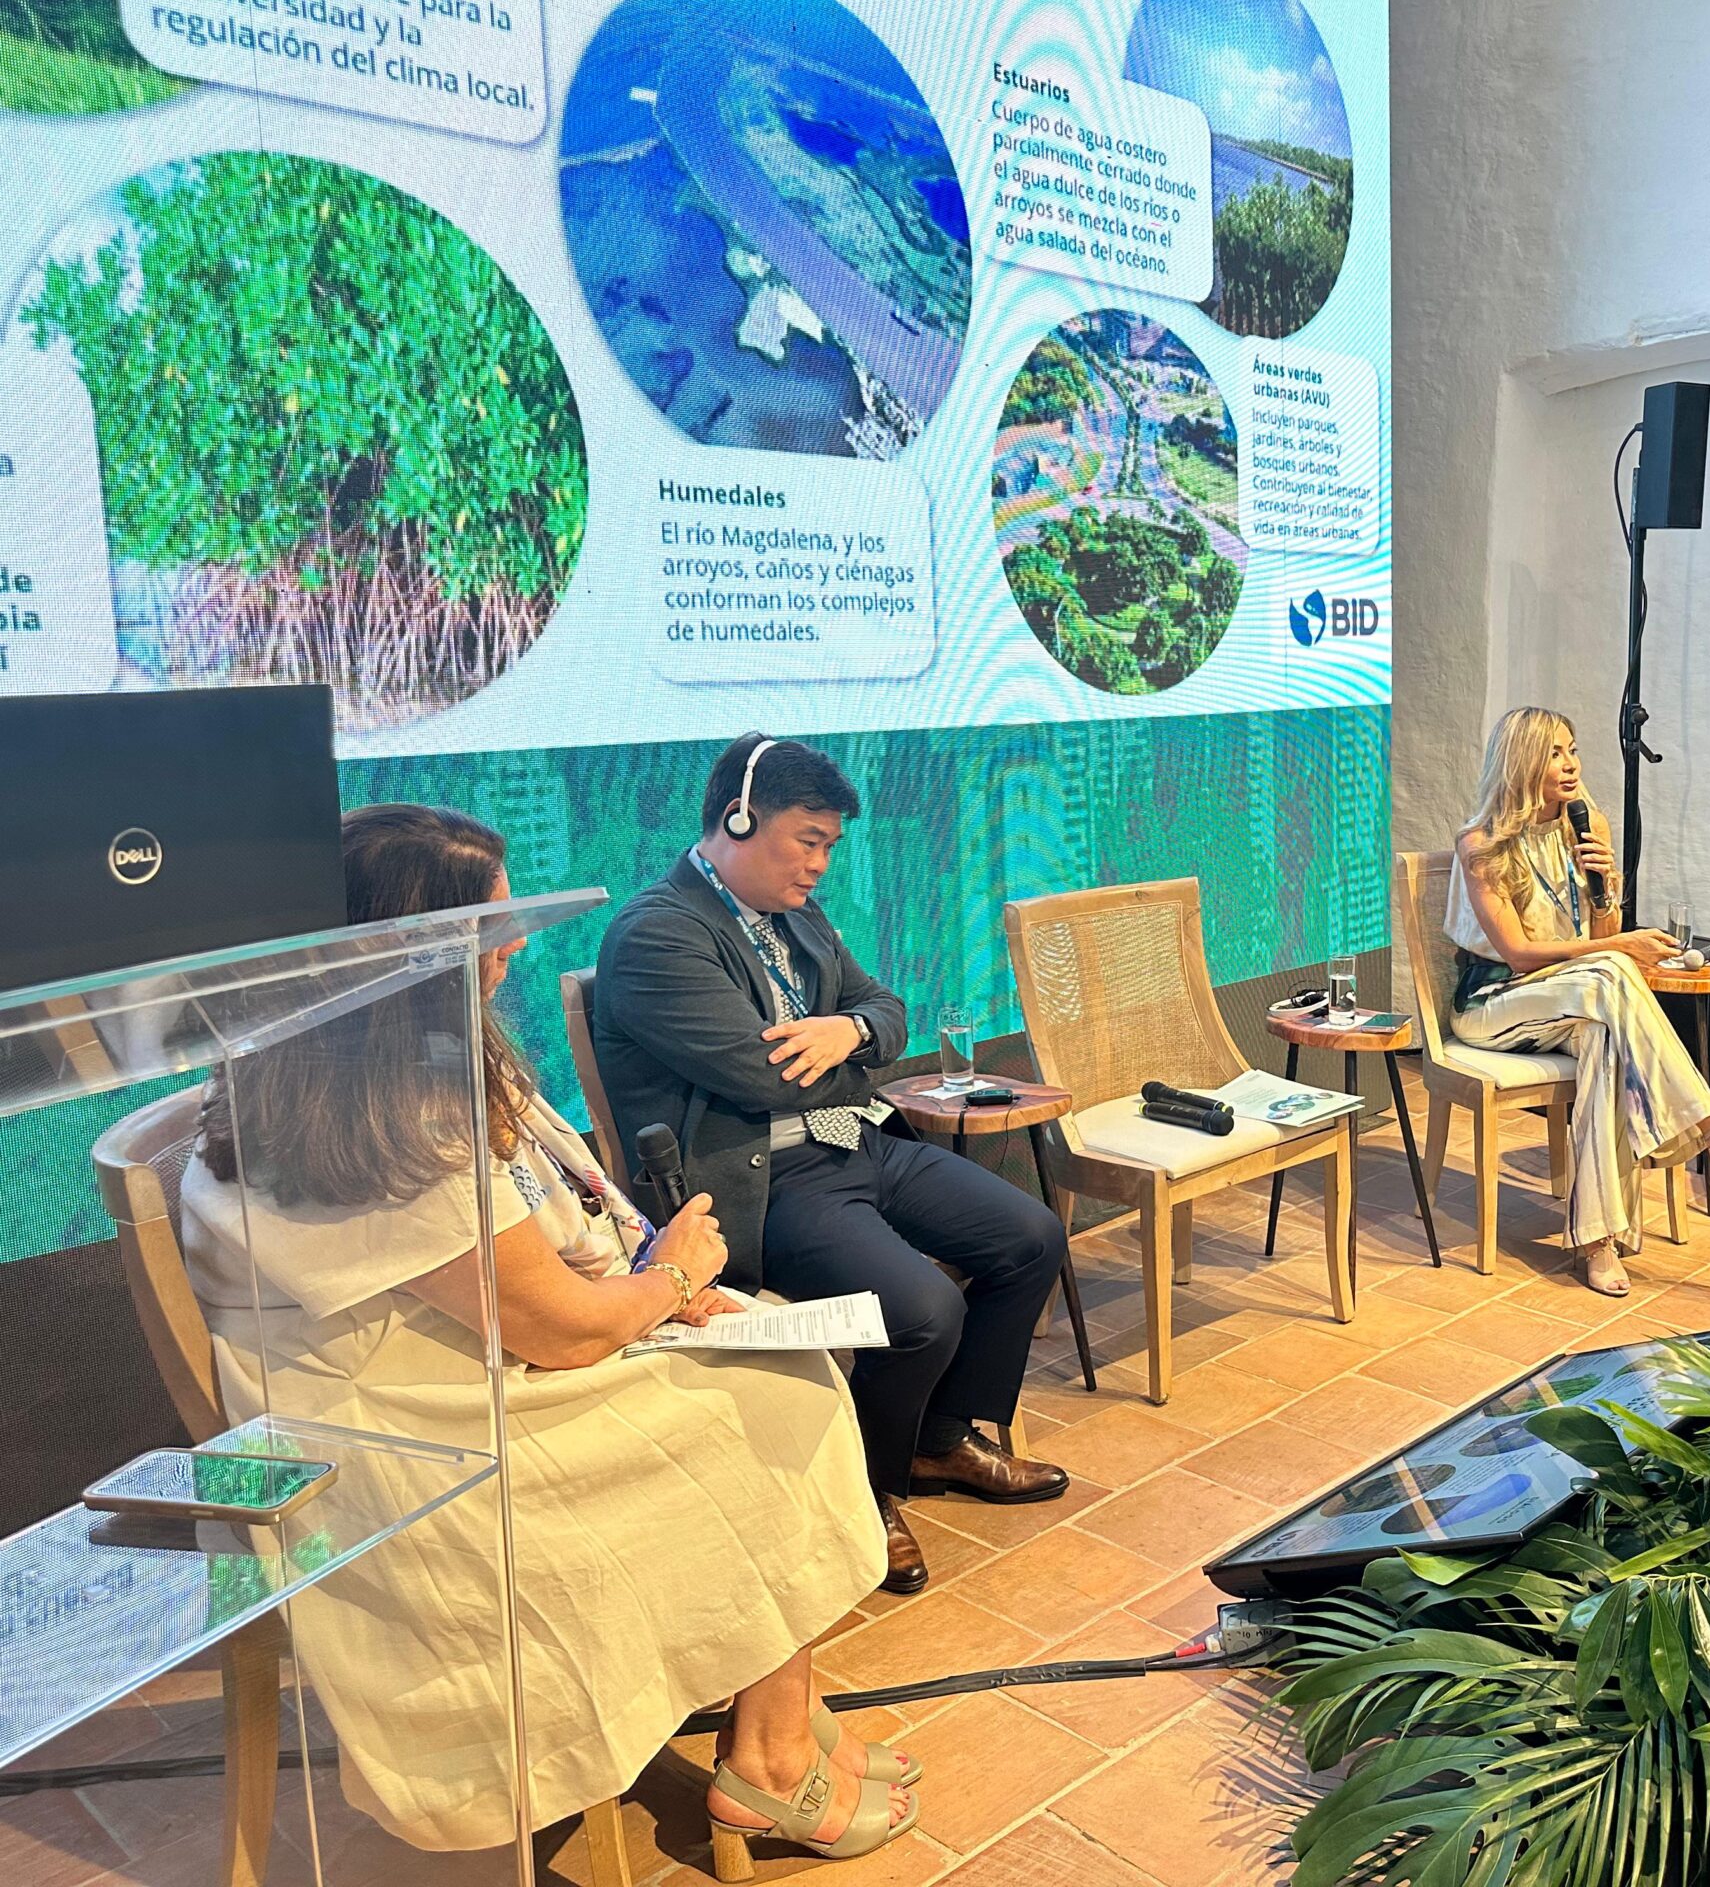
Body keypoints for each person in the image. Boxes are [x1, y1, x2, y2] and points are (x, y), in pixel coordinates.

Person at [181, 805, 919, 1868]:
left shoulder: (351, 1069)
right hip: (411, 1435)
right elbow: (564, 1334)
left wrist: (657, 1277)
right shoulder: (387, 1123)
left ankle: (779, 1710)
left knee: (773, 1351)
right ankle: (766, 1758)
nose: (518, 941)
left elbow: (549, 1248)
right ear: (407, 944)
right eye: (491, 923)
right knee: (780, 1396)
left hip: (455, 1365)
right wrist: (669, 1278)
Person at [591, 735, 1070, 1596]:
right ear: (740, 818)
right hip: (759, 1182)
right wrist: (851, 1046)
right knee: (919, 1309)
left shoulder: (796, 916)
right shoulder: (656, 935)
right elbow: (760, 1074)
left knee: (1031, 1234)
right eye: (807, 840)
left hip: (853, 1139)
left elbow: (888, 1009)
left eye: (830, 847)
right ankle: (869, 1493)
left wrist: (847, 1031)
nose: (819, 864)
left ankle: (941, 1437)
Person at [1448, 708, 1710, 1295]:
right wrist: (1618, 945)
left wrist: (1607, 885)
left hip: (1576, 995)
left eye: (1573, 750)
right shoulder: (1482, 843)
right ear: (1522, 763)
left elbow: (1601, 930)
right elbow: (1517, 953)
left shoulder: (1584, 823)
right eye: (1555, 754)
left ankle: (1597, 1241)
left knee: (1605, 1040)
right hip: (1494, 1000)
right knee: (1613, 971)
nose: (1571, 765)